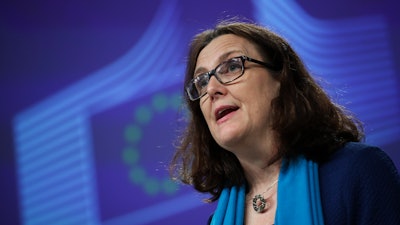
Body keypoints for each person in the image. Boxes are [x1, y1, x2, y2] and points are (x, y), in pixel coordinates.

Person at [169, 20, 400, 225]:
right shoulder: (217, 221)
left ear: (280, 78)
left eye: (231, 67)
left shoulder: (358, 172)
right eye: (201, 82)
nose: (211, 89)